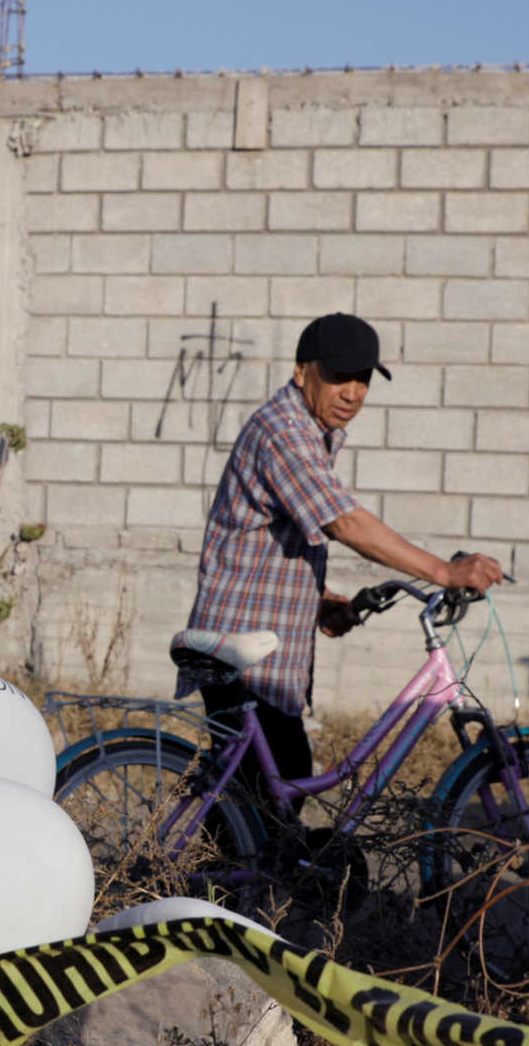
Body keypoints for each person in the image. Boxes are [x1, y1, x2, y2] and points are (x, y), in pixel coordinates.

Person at [178, 312, 504, 782]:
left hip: (266, 647)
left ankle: (223, 856)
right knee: (270, 805)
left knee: (262, 806)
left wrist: (318, 598)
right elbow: (344, 522)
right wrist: (445, 573)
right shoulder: (284, 432)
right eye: (337, 377)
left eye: (363, 378)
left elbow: (268, 535)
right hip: (244, 659)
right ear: (301, 372)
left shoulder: (311, 430)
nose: (352, 393)